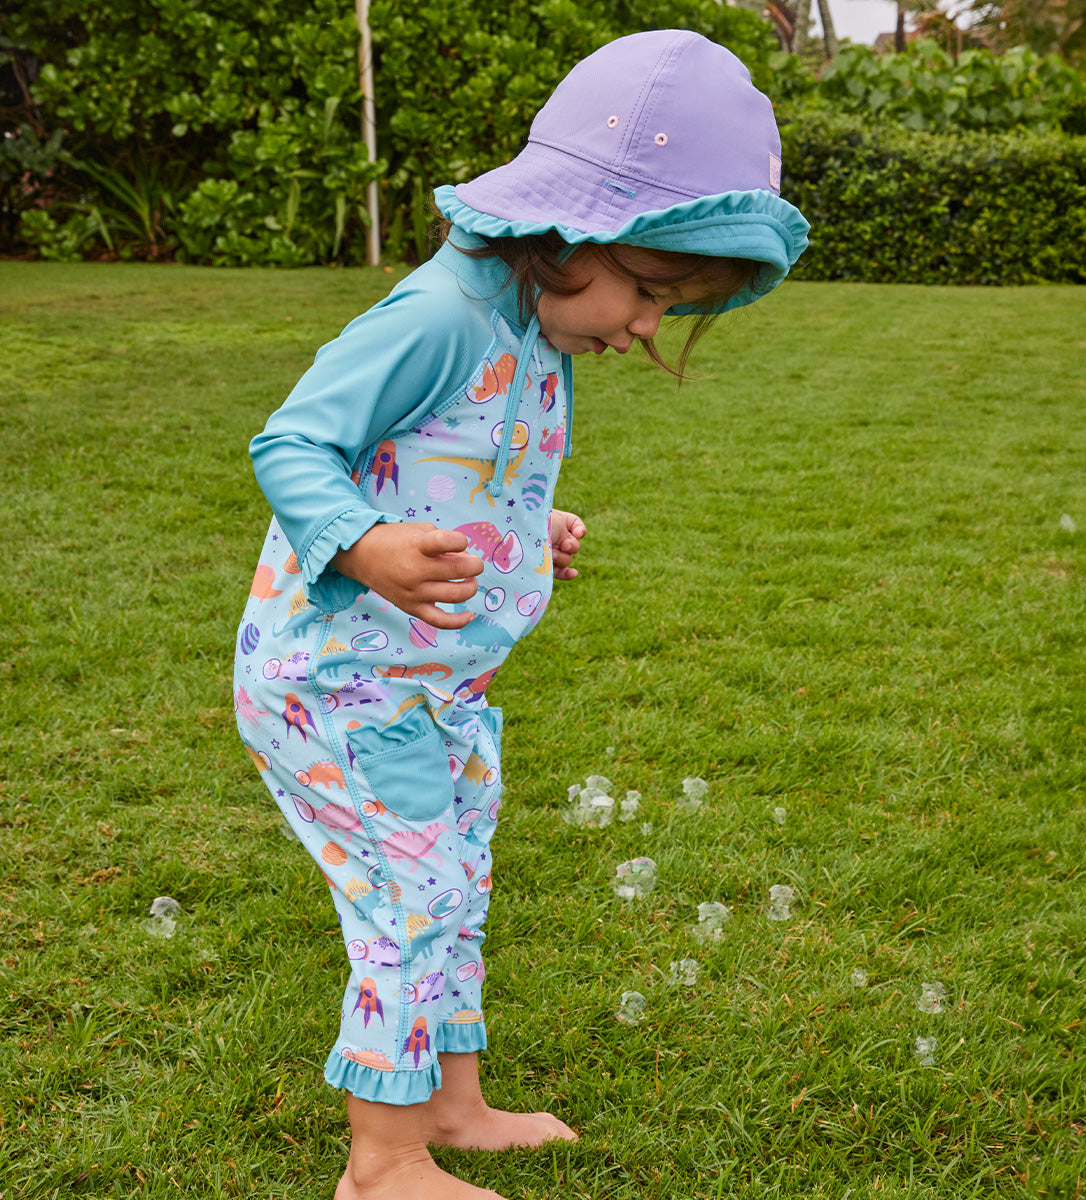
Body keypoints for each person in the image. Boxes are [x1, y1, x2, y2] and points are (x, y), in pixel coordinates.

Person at [232, 27, 809, 1200]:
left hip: (438, 686)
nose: (645, 326)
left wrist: (522, 526)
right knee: (410, 896)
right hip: (343, 684)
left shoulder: (536, 328)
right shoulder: (440, 313)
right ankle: (382, 1164)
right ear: (570, 234)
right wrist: (363, 543)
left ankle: (453, 1104)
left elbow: (461, 458)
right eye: (647, 291)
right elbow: (293, 440)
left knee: (461, 881)